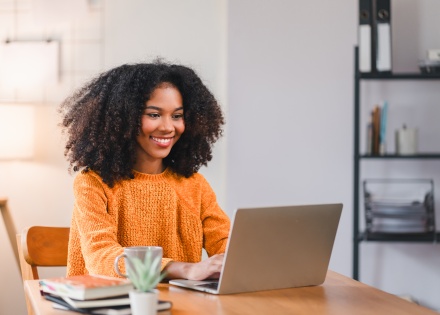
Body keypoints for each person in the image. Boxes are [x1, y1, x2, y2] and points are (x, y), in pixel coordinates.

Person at [59, 61, 230, 281]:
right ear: (122, 119)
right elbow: (101, 256)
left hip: (179, 306)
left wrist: (234, 260)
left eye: (177, 116)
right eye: (154, 114)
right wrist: (186, 269)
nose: (168, 127)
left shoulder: (195, 185)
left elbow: (226, 245)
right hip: (109, 304)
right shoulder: (92, 182)